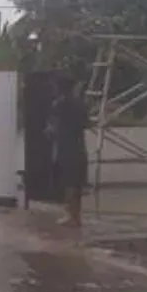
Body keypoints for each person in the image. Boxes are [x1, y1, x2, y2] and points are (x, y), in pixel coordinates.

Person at [47, 74, 89, 227]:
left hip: (64, 148)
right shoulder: (81, 104)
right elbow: (86, 123)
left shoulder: (58, 105)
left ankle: (70, 215)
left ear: (59, 88)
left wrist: (50, 130)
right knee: (77, 184)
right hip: (79, 147)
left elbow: (54, 128)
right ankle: (77, 216)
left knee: (67, 184)